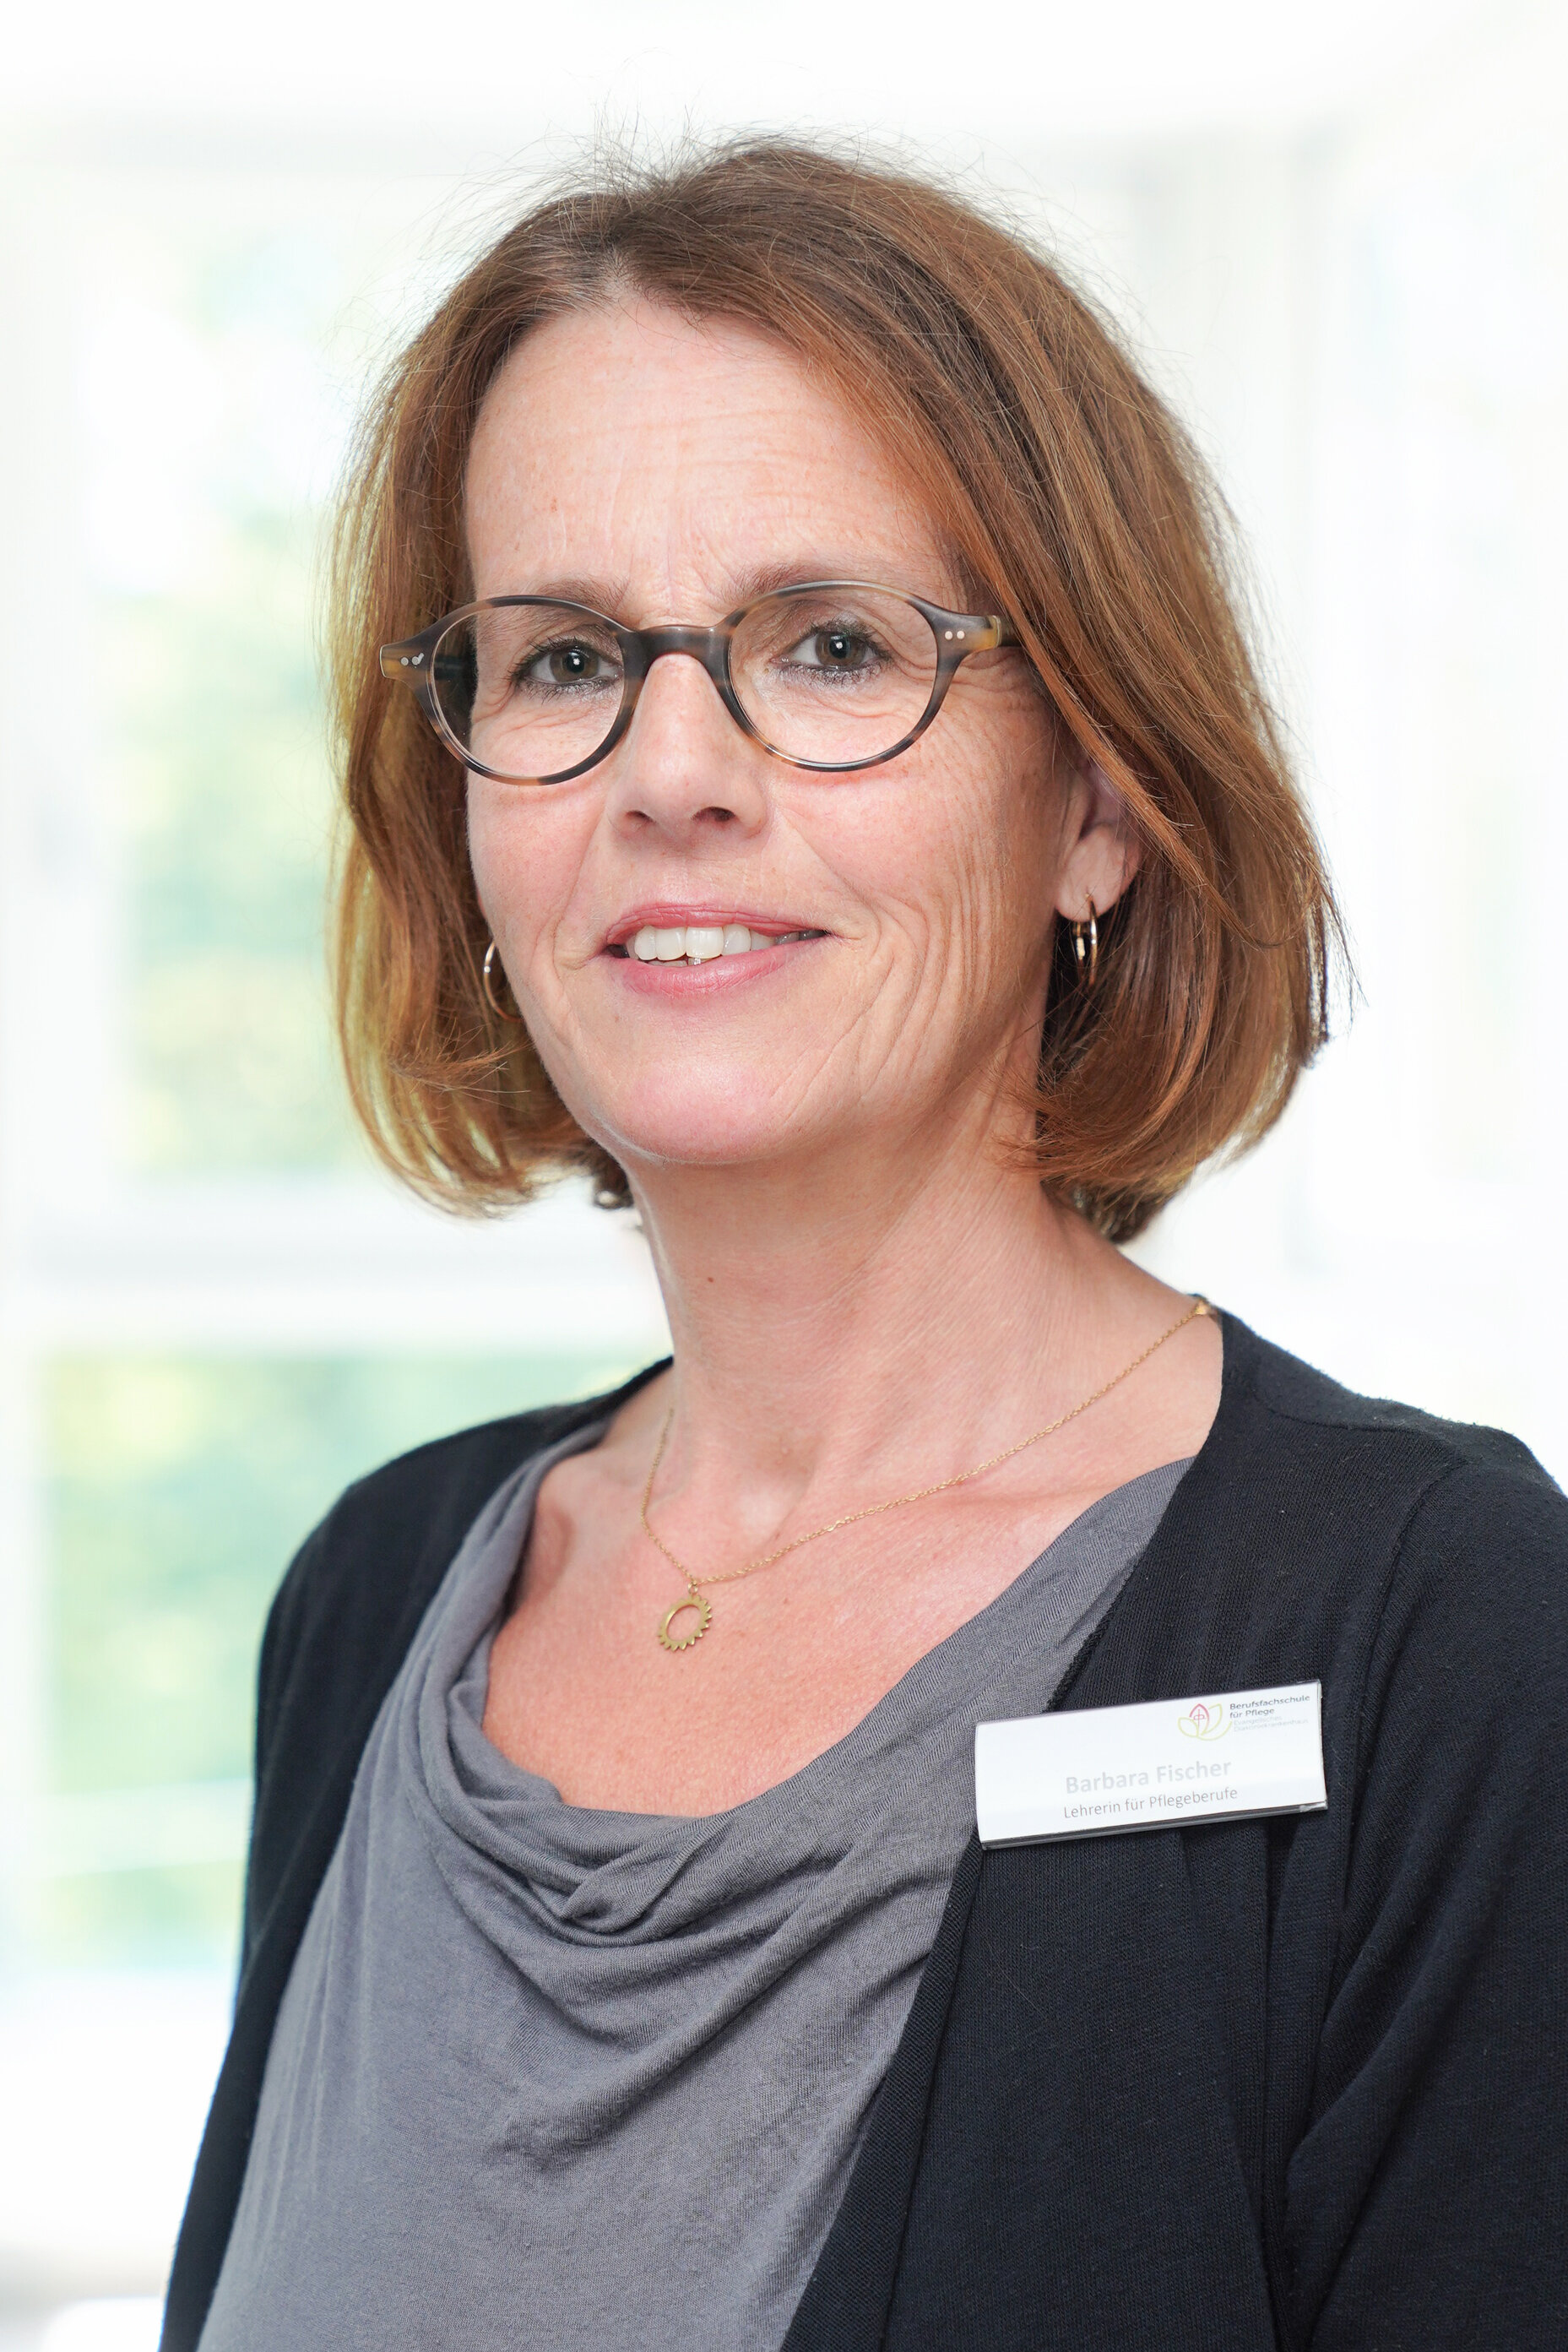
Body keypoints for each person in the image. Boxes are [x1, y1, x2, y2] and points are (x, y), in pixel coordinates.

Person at [164, 143, 1568, 2352]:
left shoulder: (1440, 1634)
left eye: (829, 646)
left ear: (1095, 802)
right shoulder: (376, 1593)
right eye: (561, 661)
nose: (672, 772)